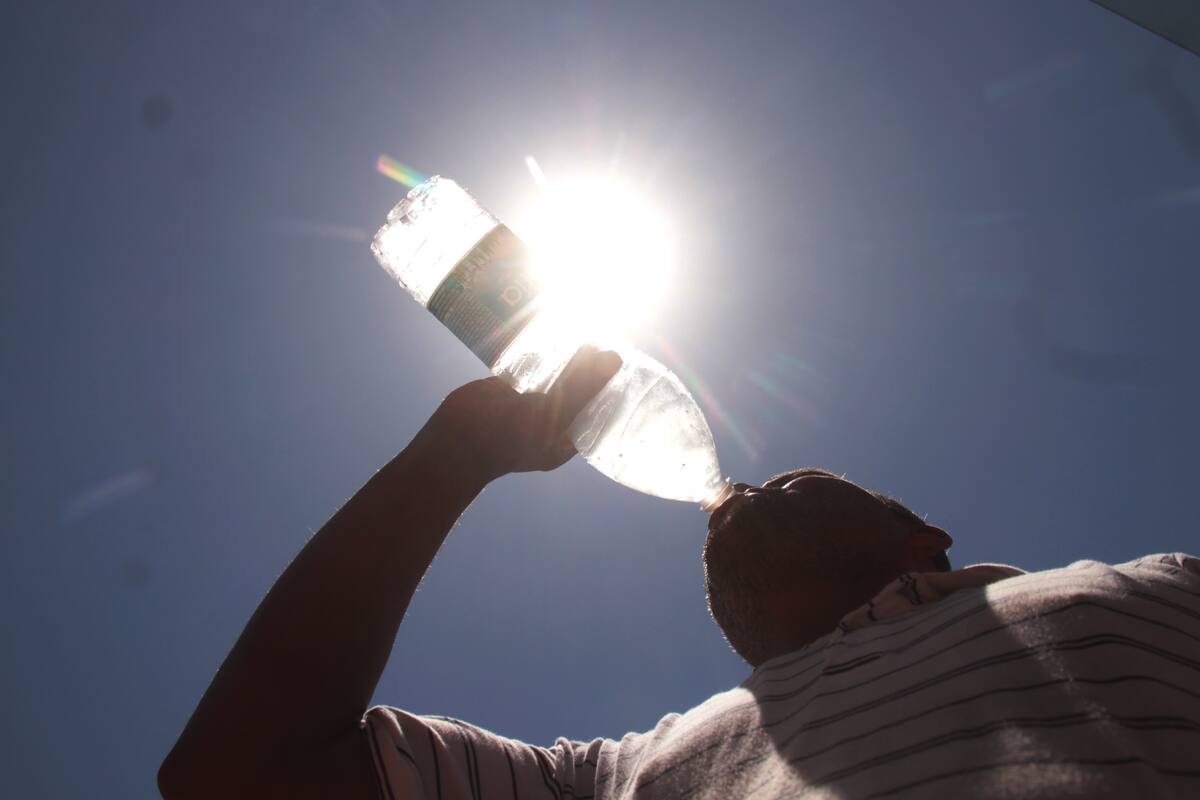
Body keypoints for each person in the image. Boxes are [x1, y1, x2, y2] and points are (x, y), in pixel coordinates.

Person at [159, 348, 1200, 799]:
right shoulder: (613, 777)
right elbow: (238, 773)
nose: (743, 488)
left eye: (791, 477)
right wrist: (452, 457)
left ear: (919, 533)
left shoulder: (1151, 592)